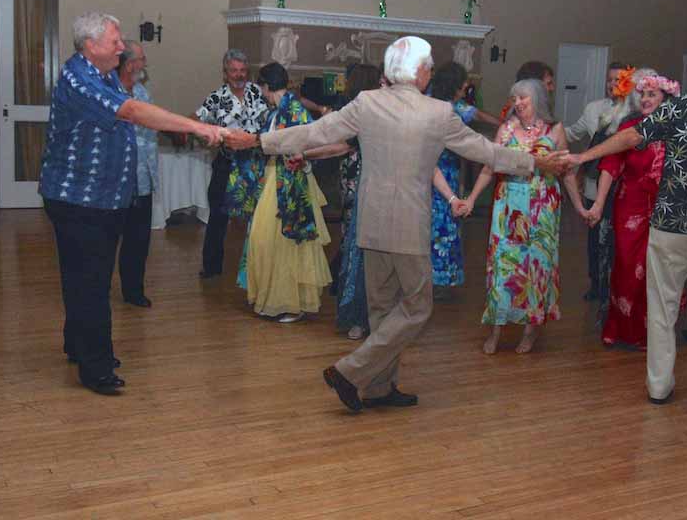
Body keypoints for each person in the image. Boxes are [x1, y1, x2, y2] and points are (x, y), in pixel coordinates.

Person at [240, 36, 565, 413]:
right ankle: (351, 370)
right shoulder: (438, 113)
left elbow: (316, 132)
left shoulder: (367, 103)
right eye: (427, 66)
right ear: (418, 72)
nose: (430, 72)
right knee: (416, 308)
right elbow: (486, 151)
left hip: (372, 224)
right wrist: (538, 163)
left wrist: (258, 141)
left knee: (383, 311)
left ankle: (379, 388)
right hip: (409, 228)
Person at [555, 45, 687, 409]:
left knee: (662, 306)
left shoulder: (675, 109)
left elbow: (632, 137)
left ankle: (659, 387)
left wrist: (583, 155)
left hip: (670, 224)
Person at [39, 12, 223, 395]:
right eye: (114, 41)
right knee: (91, 282)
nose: (121, 47)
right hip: (79, 200)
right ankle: (96, 367)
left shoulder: (102, 74)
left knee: (83, 278)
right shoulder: (80, 78)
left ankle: (80, 346)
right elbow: (133, 112)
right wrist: (197, 127)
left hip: (99, 200)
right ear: (90, 45)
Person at [464, 79, 585, 355]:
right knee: (502, 267)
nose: (517, 103)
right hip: (507, 207)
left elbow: (567, 172)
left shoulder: (554, 130)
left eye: (523, 99)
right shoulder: (506, 129)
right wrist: (471, 198)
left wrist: (579, 207)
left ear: (537, 100)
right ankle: (496, 330)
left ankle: (531, 330)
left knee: (537, 268)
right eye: (514, 98)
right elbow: (489, 166)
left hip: (542, 208)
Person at [224, 62, 346, 323]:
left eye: (261, 87)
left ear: (266, 86)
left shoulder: (293, 110)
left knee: (282, 243)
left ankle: (289, 302)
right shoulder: (278, 111)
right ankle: (276, 299)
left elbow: (303, 143)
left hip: (288, 183)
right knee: (267, 241)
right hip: (274, 179)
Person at [585, 69, 681, 350]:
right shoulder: (631, 127)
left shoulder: (678, 129)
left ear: (666, 98)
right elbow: (610, 167)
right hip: (631, 209)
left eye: (653, 94)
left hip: (667, 211)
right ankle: (622, 330)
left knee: (661, 272)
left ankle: (654, 333)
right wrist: (599, 204)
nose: (647, 99)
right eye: (643, 94)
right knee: (627, 269)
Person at [426, 61, 501, 299]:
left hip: (427, 172)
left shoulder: (428, 100)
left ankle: (426, 280)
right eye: (463, 84)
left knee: (431, 225)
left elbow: (475, 113)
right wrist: (504, 125)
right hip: (442, 171)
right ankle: (439, 281)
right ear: (454, 86)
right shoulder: (450, 109)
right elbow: (477, 115)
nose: (466, 87)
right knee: (443, 225)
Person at [195, 49, 270, 279]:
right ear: (225, 74)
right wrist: (207, 138)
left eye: (242, 71)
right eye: (234, 71)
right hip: (227, 164)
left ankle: (259, 266)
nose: (239, 75)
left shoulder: (260, 93)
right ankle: (212, 268)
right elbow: (198, 122)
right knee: (218, 216)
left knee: (261, 217)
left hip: (257, 164)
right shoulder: (216, 97)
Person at [565, 61, 626, 302]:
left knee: (616, 237)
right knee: (594, 236)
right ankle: (596, 282)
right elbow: (574, 133)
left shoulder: (634, 110)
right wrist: (549, 132)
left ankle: (615, 284)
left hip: (622, 186)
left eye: (619, 79)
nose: (613, 84)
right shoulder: (593, 109)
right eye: (610, 79)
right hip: (594, 183)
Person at [335, 63, 381, 340]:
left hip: (368, 186)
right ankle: (361, 317)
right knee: (357, 250)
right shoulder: (361, 110)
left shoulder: (368, 110)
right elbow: (344, 144)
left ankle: (369, 317)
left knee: (363, 251)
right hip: (360, 184)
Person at [116, 40, 156, 308]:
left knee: (139, 240)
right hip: (114, 180)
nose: (145, 64)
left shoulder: (142, 93)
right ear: (129, 64)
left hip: (142, 180)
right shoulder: (109, 92)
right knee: (107, 240)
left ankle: (133, 291)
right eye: (141, 59)